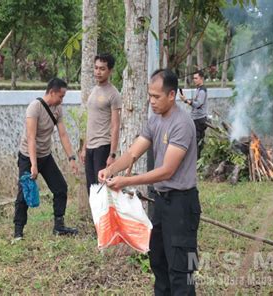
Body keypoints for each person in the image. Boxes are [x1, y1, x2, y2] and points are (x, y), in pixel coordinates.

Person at [99, 69, 200, 295]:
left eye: (157, 97)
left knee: (182, 270)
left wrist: (126, 181)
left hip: (182, 204)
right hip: (161, 202)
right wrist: (111, 169)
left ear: (172, 95)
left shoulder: (182, 124)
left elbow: (166, 171)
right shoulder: (155, 119)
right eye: (150, 96)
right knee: (159, 262)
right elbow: (134, 152)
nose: (151, 101)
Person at [14, 78, 79, 240]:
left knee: (60, 188)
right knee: (24, 193)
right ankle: (18, 232)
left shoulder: (57, 109)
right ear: (52, 92)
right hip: (28, 156)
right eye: (61, 96)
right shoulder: (34, 108)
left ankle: (59, 226)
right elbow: (31, 137)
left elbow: (63, 134)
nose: (62, 100)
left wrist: (71, 158)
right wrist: (33, 165)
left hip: (45, 155)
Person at [80, 53, 122, 194]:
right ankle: (95, 217)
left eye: (102, 69)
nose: (98, 72)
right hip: (90, 147)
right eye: (96, 68)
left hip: (103, 146)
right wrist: (84, 148)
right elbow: (90, 120)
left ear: (110, 71)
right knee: (91, 189)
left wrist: (112, 154)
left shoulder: (113, 94)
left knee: (102, 190)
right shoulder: (94, 90)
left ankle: (106, 216)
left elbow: (116, 126)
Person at [180, 70, 208, 159]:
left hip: (199, 120)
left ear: (201, 79)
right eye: (193, 78)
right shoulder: (198, 89)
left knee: (197, 142)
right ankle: (196, 161)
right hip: (195, 119)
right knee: (195, 141)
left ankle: (197, 162)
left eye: (196, 78)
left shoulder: (202, 91)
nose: (194, 80)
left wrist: (186, 101)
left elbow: (198, 105)